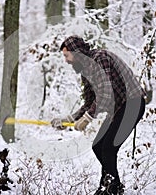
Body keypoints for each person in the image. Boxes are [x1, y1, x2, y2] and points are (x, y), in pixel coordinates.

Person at [51, 35, 146, 194]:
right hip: (118, 108)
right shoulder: (86, 71)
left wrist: (87, 118)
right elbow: (90, 102)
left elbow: (105, 94)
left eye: (67, 56)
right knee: (98, 146)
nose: (66, 61)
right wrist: (69, 119)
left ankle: (111, 189)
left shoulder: (100, 59)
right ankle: (109, 186)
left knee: (108, 148)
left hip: (132, 104)